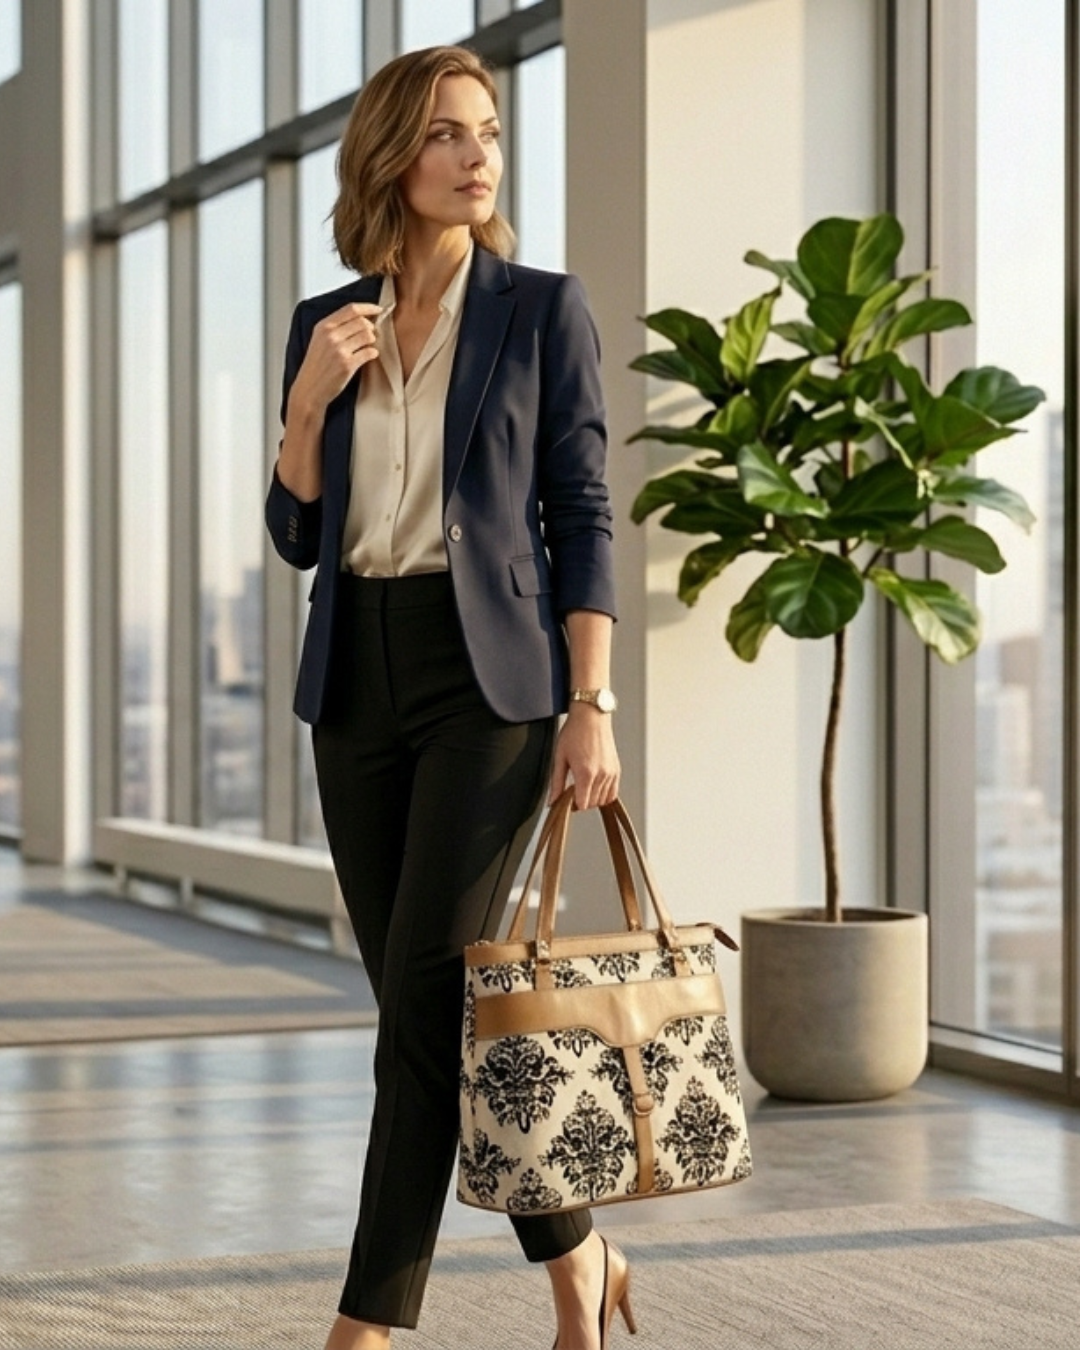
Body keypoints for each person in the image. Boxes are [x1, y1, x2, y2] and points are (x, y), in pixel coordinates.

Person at [265, 44, 630, 1350]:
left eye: (487, 132)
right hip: (355, 672)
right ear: (390, 160)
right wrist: (310, 402)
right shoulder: (329, 321)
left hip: (494, 685)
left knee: (421, 1005)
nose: (478, 156)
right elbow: (297, 531)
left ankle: (363, 1327)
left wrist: (593, 703)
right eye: (446, 136)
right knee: (428, 1012)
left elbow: (583, 514)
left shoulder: (539, 309)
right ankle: (578, 1250)